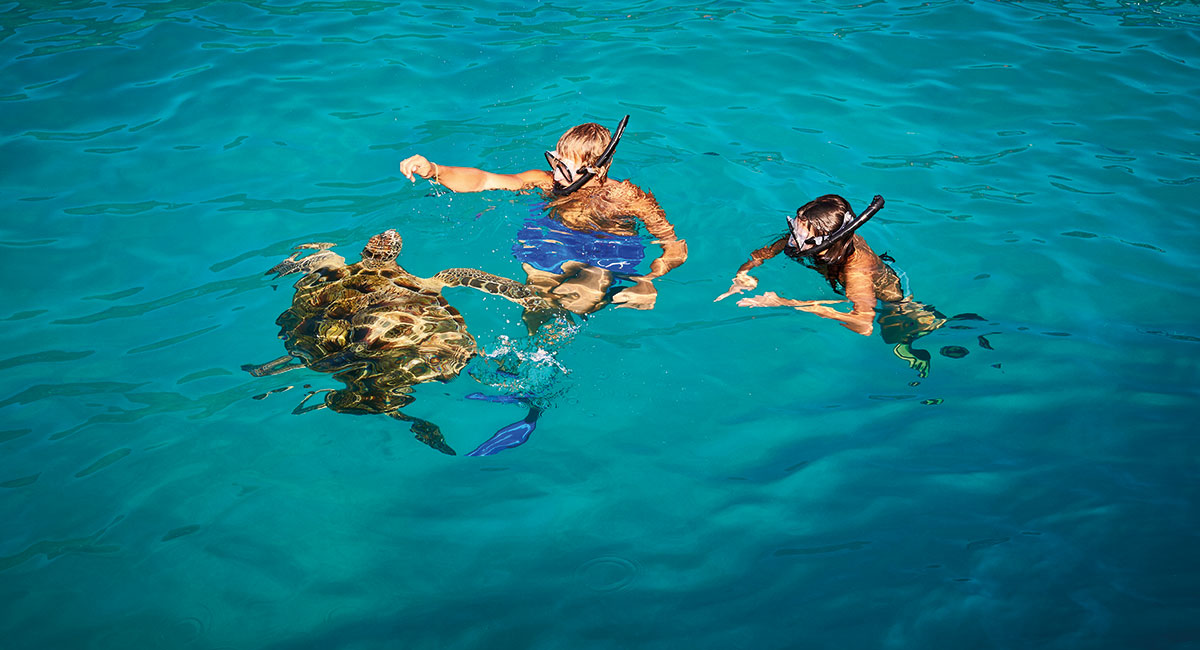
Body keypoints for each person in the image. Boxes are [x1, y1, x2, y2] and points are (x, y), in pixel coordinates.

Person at [400, 116, 687, 313]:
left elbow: (674, 245)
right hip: (560, 241)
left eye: (565, 168)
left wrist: (649, 279)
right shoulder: (546, 180)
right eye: (555, 161)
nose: (556, 173)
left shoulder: (629, 198)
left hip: (608, 248)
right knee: (534, 298)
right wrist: (435, 171)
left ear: (596, 169)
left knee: (581, 299)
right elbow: (486, 180)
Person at [715, 194, 945, 377]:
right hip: (840, 272)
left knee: (894, 330)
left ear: (829, 240)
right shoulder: (812, 237)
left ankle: (916, 339)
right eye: (796, 228)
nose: (793, 239)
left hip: (887, 297)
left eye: (801, 235)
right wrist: (743, 273)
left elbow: (864, 325)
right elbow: (767, 252)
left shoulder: (856, 273)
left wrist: (784, 302)